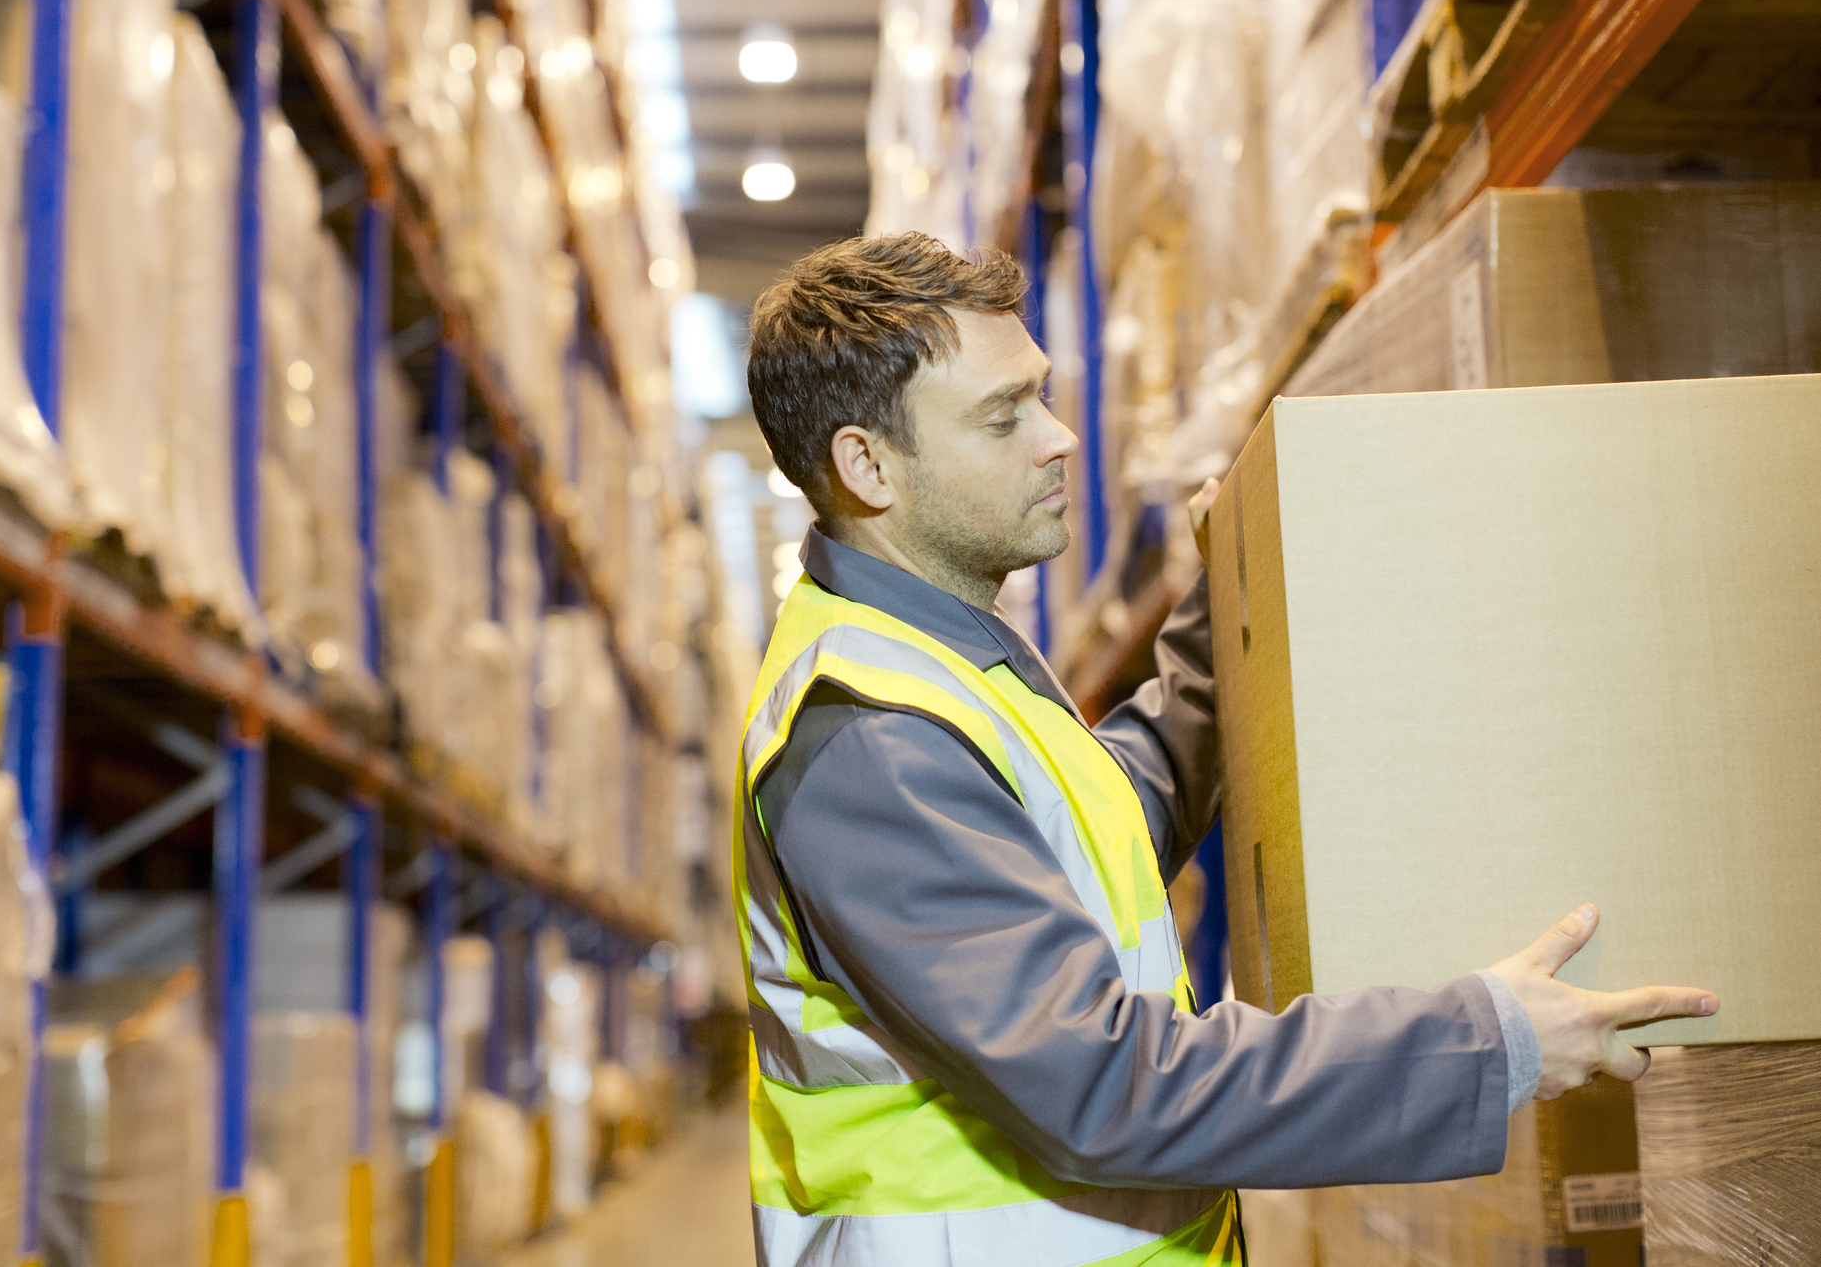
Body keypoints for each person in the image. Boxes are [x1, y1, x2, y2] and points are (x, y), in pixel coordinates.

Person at [734, 232, 1716, 1267]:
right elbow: (1104, 1085)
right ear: (867, 465)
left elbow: (1111, 822)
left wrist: (1225, 603)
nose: (1061, 436)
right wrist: (1486, 1039)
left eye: (1044, 394)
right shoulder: (867, 733)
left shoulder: (939, 657)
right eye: (1003, 415)